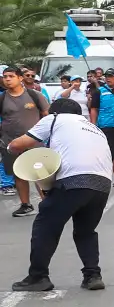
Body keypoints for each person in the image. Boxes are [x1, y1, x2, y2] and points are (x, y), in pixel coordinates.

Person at [9, 98, 113, 292]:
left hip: (73, 180)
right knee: (86, 231)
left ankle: (38, 276)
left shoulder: (55, 119)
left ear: (54, 112)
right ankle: (92, 276)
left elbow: (19, 144)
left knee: (45, 226)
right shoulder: (94, 128)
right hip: (103, 183)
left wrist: (10, 147)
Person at [0, 65, 51, 216]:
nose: (7, 79)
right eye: (5, 77)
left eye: (11, 76)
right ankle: (26, 205)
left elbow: (47, 116)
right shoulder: (2, 98)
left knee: (39, 173)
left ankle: (48, 204)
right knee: (18, 173)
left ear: (20, 78)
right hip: (10, 142)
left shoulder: (34, 95)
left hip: (34, 141)